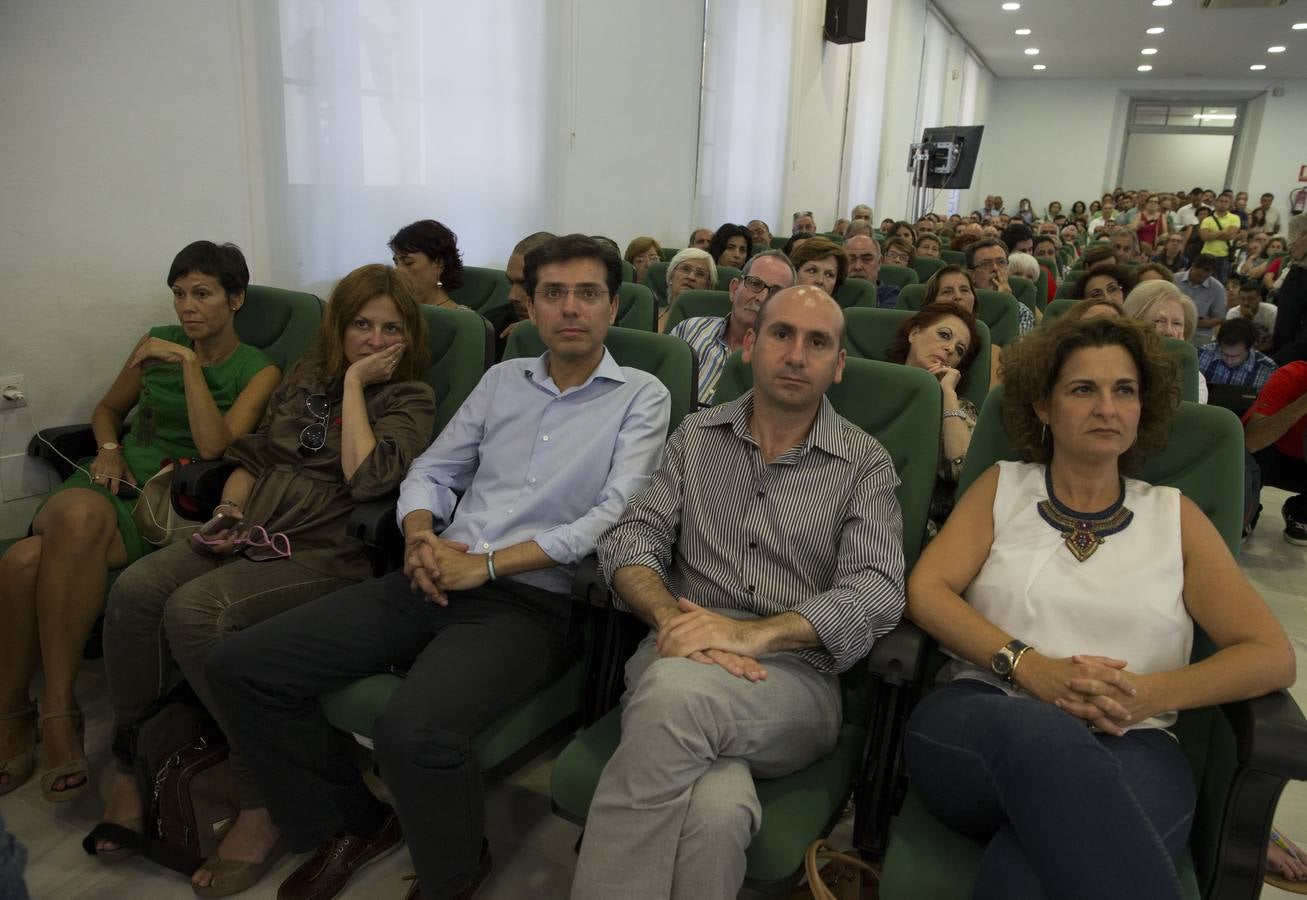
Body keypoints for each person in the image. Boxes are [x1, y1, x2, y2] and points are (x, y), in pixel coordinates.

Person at [204, 235, 672, 900]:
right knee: (243, 666)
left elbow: (610, 516)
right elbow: (433, 469)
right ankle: (356, 821)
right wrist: (421, 533)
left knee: (410, 730)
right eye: (553, 293)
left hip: (533, 601)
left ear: (612, 306)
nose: (571, 308)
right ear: (531, 306)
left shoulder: (641, 396)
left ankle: (451, 873)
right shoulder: (502, 379)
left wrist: (483, 565)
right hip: (434, 570)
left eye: (587, 293)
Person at [904, 315, 1295, 899]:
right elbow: (926, 591)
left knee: (1034, 869)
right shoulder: (1002, 486)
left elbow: (1270, 655)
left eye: (1125, 390)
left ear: (1144, 408)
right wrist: (1030, 667)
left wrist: (1151, 695)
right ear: (1042, 406)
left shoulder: (1174, 516)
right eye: (1083, 389)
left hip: (1133, 742)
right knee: (1039, 734)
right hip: (985, 719)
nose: (1107, 408)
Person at [94, 265, 437, 893]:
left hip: (326, 550)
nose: (375, 338)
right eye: (361, 324)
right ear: (339, 326)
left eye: (391, 328)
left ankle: (260, 797)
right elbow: (252, 457)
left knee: (195, 612)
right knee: (139, 590)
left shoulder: (411, 398)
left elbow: (368, 481)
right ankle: (132, 758)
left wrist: (359, 384)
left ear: (408, 336)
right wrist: (228, 510)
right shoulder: (305, 378)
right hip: (251, 523)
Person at [570, 285, 906, 900]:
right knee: (716, 811)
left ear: (839, 366)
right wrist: (675, 619)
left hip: (792, 679)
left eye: (818, 342)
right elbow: (631, 537)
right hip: (678, 645)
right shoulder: (695, 438)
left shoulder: (865, 464)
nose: (797, 354)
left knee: (674, 697)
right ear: (750, 344)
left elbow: (876, 588)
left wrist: (748, 635)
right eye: (782, 334)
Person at [0, 242, 280, 802]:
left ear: (236, 298)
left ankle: (26, 714)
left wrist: (188, 364)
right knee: (68, 520)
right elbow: (108, 409)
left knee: (23, 560)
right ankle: (53, 710)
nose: (186, 308)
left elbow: (214, 444)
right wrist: (107, 447)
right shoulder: (153, 340)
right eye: (179, 294)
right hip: (111, 479)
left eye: (202, 294)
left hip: (169, 499)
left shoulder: (259, 368)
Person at [886, 304, 982, 535]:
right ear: (914, 333)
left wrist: (948, 395)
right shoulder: (872, 384)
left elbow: (962, 470)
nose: (950, 349)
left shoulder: (960, 409)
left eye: (960, 350)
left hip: (912, 528)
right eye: (944, 335)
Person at [669, 250, 796, 406]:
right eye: (754, 283)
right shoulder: (688, 329)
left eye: (775, 292)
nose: (761, 298)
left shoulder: (787, 362)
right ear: (734, 289)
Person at [1244, 359, 1307, 545]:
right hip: (1269, 455)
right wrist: (1303, 403)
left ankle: (1301, 511)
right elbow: (1251, 442)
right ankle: (1247, 509)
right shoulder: (1291, 375)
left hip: (1301, 464)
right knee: (1247, 454)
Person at [389, 220, 466, 309]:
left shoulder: (463, 320)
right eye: (396, 263)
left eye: (408, 262)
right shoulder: (395, 313)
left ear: (439, 263)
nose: (398, 270)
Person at [966, 238, 1036, 335]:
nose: (995, 268)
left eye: (1001, 262)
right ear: (971, 275)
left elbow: (1017, 348)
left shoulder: (1021, 312)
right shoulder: (962, 303)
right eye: (985, 264)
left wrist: (1006, 303)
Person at [1271, 212, 1307, 365]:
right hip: (1299, 277)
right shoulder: (1298, 221)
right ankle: (1276, 372)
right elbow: (1297, 253)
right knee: (1284, 331)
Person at [659, 248, 716, 331]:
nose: (691, 277)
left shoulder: (710, 329)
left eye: (700, 274)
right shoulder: (651, 314)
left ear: (708, 287)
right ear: (671, 276)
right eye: (685, 269)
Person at [1174, 254, 1227, 343]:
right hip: (1173, 326)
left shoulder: (1218, 288)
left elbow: (1220, 317)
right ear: (1193, 266)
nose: (1203, 277)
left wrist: (1205, 323)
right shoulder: (1175, 279)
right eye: (1199, 275)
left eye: (1207, 275)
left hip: (1200, 333)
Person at [844, 234, 899, 308]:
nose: (857, 267)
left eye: (867, 259)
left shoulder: (891, 295)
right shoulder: (833, 290)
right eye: (851, 259)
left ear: (879, 262)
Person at [1199, 193, 1242, 283]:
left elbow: (1230, 235)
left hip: (1224, 256)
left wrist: (1212, 234)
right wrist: (1222, 232)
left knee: (1221, 283)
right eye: (1221, 201)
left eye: (1226, 202)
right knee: (1202, 280)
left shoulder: (1235, 218)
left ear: (1230, 204)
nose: (1223, 203)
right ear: (1215, 203)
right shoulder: (1207, 219)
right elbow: (1204, 237)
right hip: (1207, 254)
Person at [1227, 280, 1277, 352]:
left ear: (1259, 299)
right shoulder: (1233, 313)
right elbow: (1233, 341)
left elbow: (1274, 342)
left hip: (1267, 351)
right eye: (1242, 299)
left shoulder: (1272, 312)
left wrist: (1251, 352)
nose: (1246, 303)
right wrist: (1247, 321)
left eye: (1251, 299)